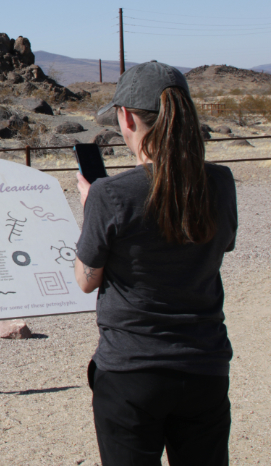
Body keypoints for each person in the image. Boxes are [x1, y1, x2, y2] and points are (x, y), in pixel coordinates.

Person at [73, 61, 237, 466]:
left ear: (126, 117)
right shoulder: (220, 183)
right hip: (204, 366)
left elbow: (86, 280)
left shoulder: (111, 195)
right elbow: (221, 245)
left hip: (131, 370)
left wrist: (90, 207)